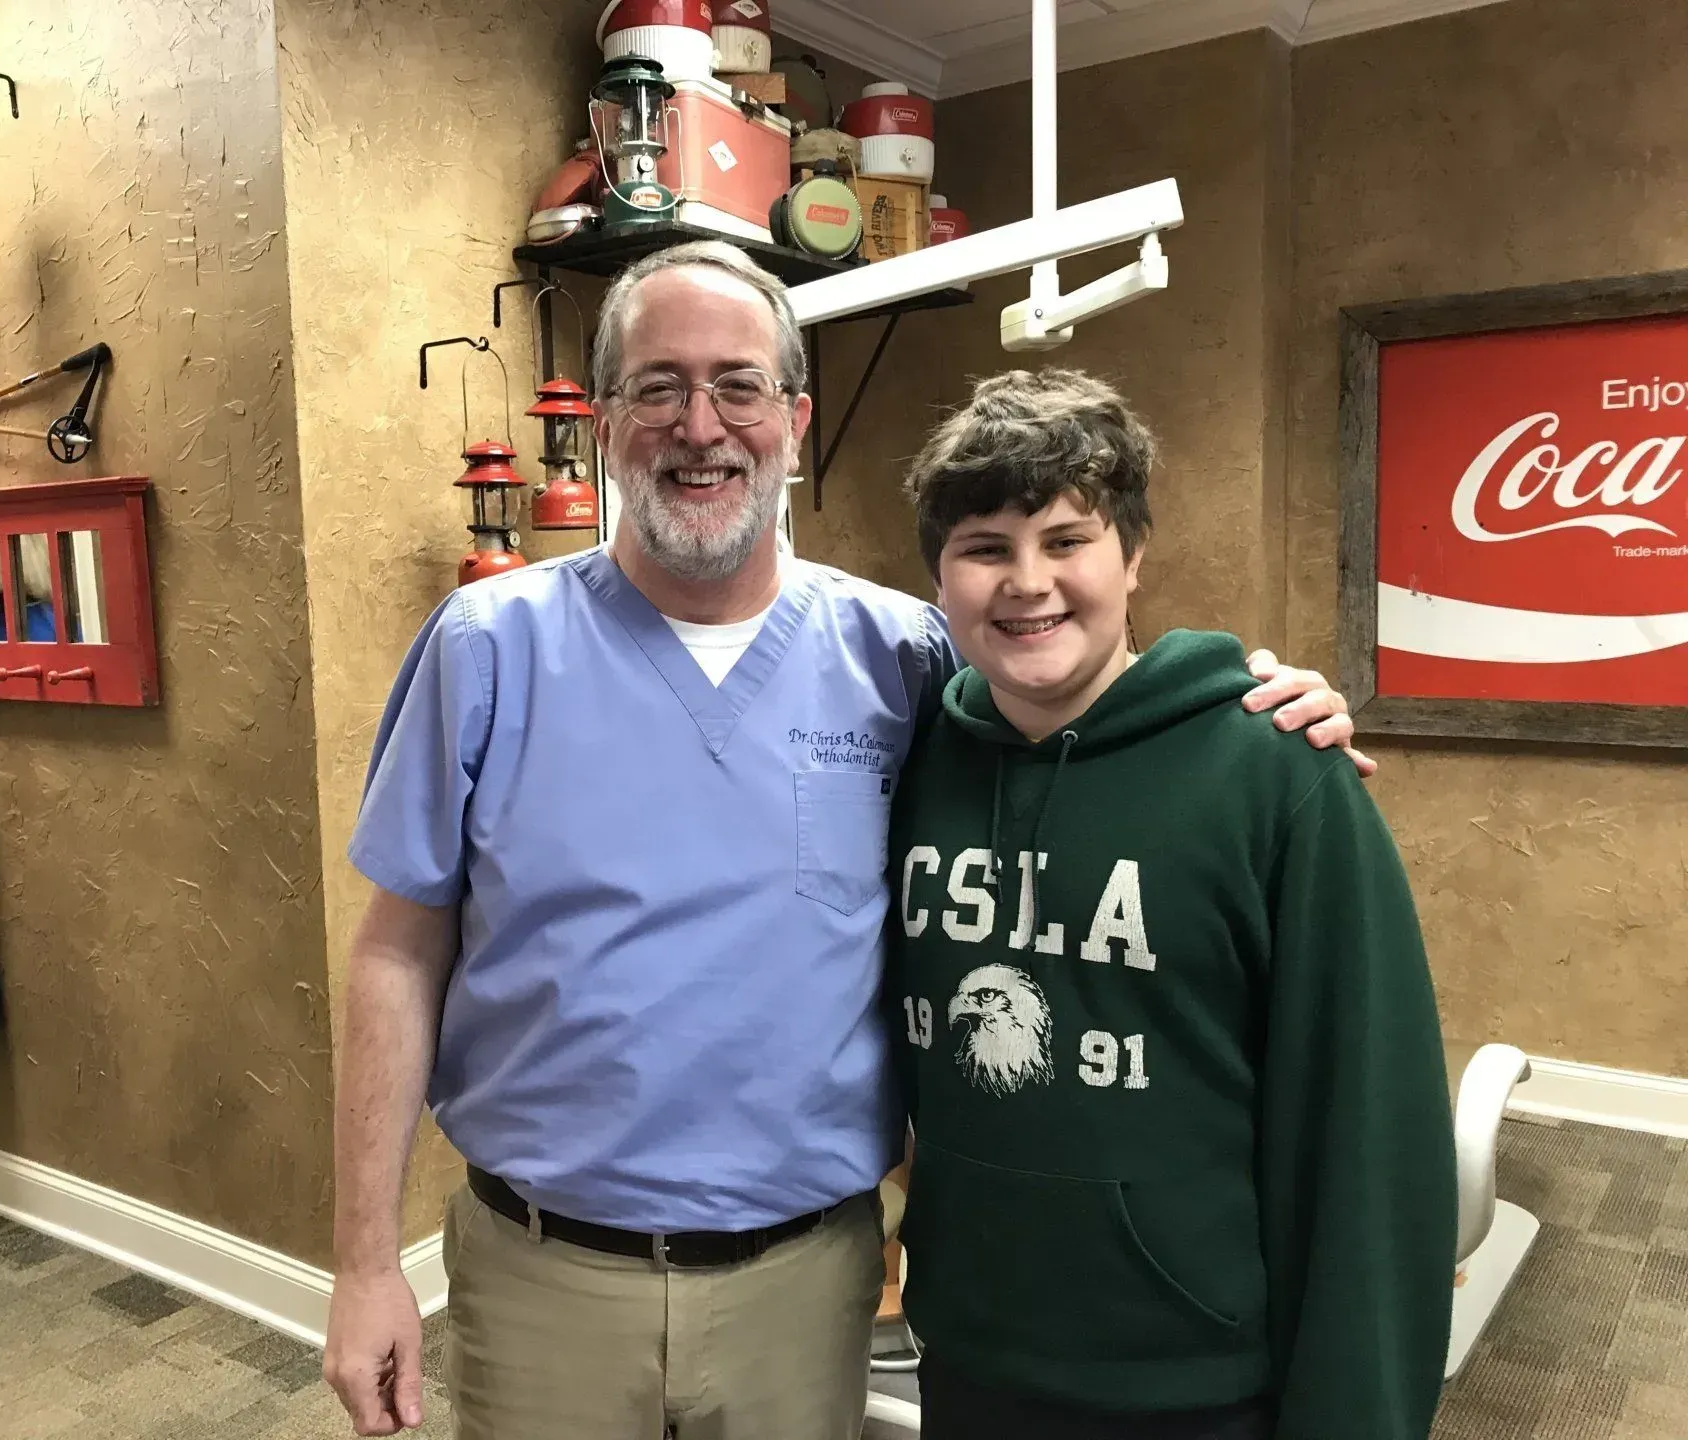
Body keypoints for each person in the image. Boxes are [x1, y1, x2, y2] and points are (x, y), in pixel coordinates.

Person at [323, 241, 1366, 1440]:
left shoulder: (904, 656)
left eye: (740, 385)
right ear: (607, 423)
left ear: (797, 418)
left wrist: (1240, 699)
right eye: (658, 387)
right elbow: (396, 956)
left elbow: (1071, 710)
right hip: (544, 1274)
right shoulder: (484, 648)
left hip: (806, 1280)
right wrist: (362, 1265)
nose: (700, 425)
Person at [885, 368, 1456, 1440]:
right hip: (969, 1354)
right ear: (941, 577)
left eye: (1066, 540)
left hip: (1194, 1383)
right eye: (985, 548)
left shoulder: (1279, 776)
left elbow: (1367, 1139)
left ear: (1133, 557)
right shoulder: (914, 765)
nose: (1027, 582)